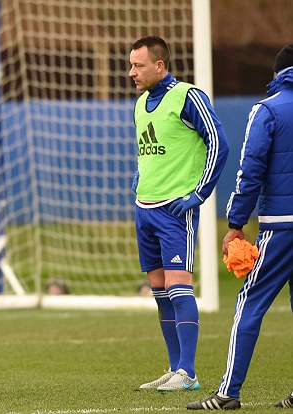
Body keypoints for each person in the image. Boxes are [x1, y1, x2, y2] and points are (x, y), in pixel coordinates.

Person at [187, 44, 293, 410]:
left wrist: (235, 224)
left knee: (249, 305)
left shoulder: (267, 110)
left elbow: (250, 171)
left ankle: (228, 393)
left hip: (281, 226)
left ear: (278, 73)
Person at [128, 36, 229, 392]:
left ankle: (188, 372)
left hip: (175, 210)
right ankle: (174, 369)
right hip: (145, 209)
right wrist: (141, 173)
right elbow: (151, 147)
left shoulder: (189, 96)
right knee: (158, 290)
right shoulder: (141, 104)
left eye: (138, 65)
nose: (131, 72)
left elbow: (219, 143)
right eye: (130, 65)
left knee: (178, 287)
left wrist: (199, 194)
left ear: (160, 65)